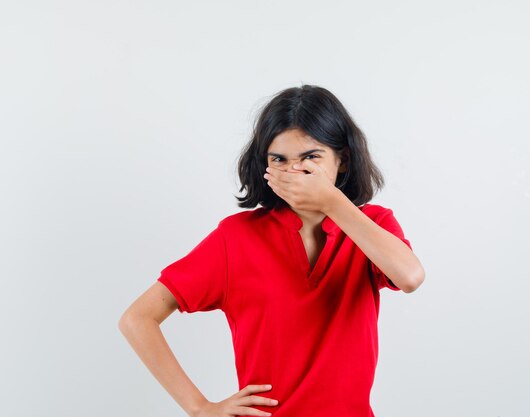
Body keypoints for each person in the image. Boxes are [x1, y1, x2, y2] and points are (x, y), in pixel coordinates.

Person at [118, 84, 425, 417]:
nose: (294, 171)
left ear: (343, 160)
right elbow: (138, 318)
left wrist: (332, 202)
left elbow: (409, 276)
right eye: (279, 159)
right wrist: (199, 407)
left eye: (311, 158)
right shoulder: (236, 237)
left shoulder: (372, 225)